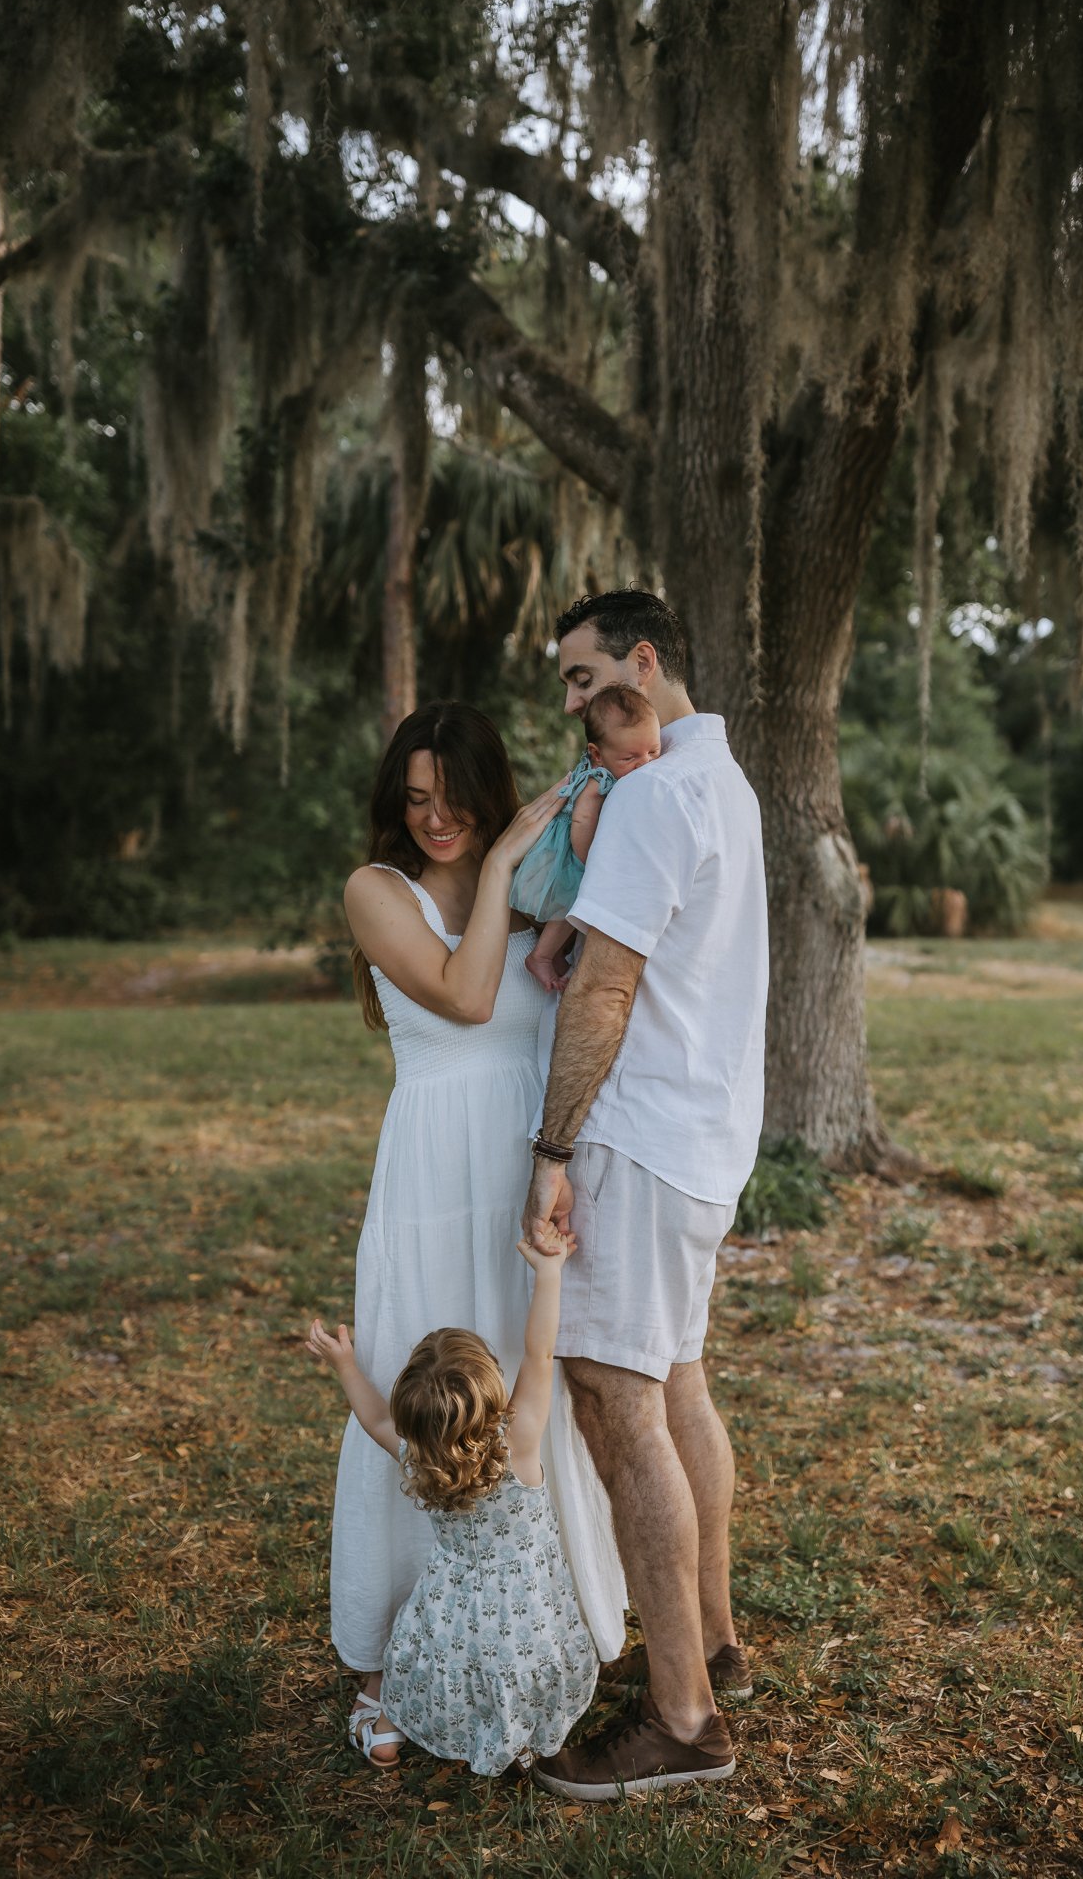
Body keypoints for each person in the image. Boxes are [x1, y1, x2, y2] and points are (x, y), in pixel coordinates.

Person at [332, 701, 625, 1764]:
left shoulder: (540, 875)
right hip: (430, 1165)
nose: (434, 820)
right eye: (414, 801)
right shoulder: (379, 890)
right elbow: (463, 996)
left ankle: (550, 1627)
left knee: (528, 1376)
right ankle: (382, 1661)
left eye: (453, 800)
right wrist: (503, 858)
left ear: (484, 787)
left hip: (523, 1151)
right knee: (418, 1370)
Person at [522, 591, 768, 1801]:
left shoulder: (658, 795)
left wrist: (552, 1148)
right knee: (676, 1380)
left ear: (647, 660)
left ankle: (682, 1719)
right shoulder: (721, 780)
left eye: (584, 678)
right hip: (709, 1138)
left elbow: (603, 995)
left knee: (618, 1403)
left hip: (638, 1135)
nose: (572, 704)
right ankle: (712, 1639)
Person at [305, 1229, 599, 1776]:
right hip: (526, 1609)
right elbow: (540, 1351)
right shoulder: (520, 1441)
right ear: (493, 1387)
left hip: (448, 1612)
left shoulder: (417, 1455)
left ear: (412, 1416)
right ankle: (527, 1736)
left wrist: (345, 1364)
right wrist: (550, 1272)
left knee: (438, 1670)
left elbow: (372, 1417)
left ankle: (386, 1735)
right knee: (521, 1664)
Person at [512, 684, 662, 994]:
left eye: (654, 751)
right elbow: (581, 817)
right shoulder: (600, 777)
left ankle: (553, 956)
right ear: (597, 753)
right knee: (572, 904)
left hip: (571, 847)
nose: (646, 764)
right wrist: (585, 862)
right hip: (572, 849)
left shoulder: (613, 766)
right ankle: (540, 956)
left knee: (567, 909)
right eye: (631, 757)